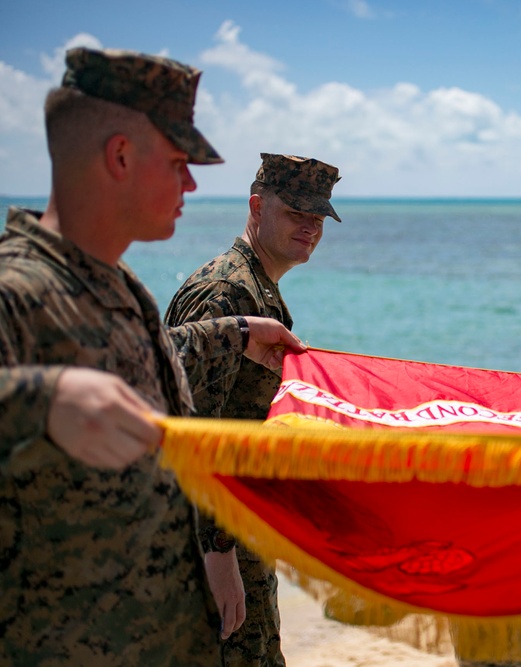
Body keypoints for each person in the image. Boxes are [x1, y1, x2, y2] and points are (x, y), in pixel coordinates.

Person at [0, 47, 305, 665]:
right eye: (178, 162)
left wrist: (234, 332)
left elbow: (149, 356)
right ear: (119, 157)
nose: (191, 183)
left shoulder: (113, 285)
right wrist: (43, 399)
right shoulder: (19, 290)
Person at [164, 152, 343, 666]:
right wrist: (217, 554)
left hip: (240, 532)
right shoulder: (227, 292)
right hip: (214, 542)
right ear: (256, 206)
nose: (310, 227)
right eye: (297, 213)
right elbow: (192, 435)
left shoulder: (259, 288)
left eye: (319, 218)